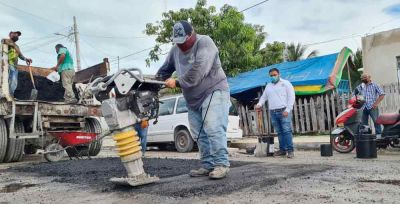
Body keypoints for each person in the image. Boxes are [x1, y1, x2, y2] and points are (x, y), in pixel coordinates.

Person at [156, 20, 231, 179]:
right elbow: (164, 71)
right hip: (192, 98)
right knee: (198, 133)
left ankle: (221, 164)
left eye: (183, 41)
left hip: (213, 90)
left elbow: (198, 72)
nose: (181, 45)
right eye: (177, 42)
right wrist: (153, 84)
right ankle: (207, 164)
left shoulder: (204, 42)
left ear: (192, 34)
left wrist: (176, 82)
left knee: (213, 127)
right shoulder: (175, 51)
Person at [255, 68, 295, 158]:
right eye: (271, 75)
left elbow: (291, 97)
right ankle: (282, 150)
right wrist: (259, 104)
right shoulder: (268, 86)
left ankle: (290, 151)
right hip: (273, 112)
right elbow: (263, 97)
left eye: (274, 75)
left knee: (287, 131)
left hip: (284, 111)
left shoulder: (286, 83)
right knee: (280, 132)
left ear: (279, 74)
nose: (273, 77)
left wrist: (288, 110)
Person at [2, 31, 32, 97]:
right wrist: (13, 45)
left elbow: (20, 55)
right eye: (15, 34)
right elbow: (4, 42)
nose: (17, 36)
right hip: (8, 64)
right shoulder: (5, 41)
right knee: (9, 80)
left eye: (18, 35)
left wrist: (25, 59)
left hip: (15, 66)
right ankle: (6, 95)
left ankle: (10, 95)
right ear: (10, 34)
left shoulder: (17, 46)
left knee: (14, 83)